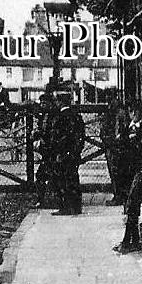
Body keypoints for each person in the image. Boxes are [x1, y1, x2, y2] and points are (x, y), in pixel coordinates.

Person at [48, 86, 86, 215]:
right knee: (73, 179)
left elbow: (62, 138)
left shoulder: (62, 117)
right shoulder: (75, 115)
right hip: (73, 153)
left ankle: (66, 207)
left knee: (64, 180)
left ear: (60, 102)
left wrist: (60, 153)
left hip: (63, 154)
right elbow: (80, 136)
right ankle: (76, 206)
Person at [115, 103, 142, 253]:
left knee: (132, 206)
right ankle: (132, 240)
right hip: (129, 173)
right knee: (131, 206)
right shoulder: (128, 127)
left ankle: (129, 241)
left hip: (140, 171)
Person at [33, 92, 57, 208]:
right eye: (41, 102)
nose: (42, 105)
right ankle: (43, 200)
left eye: (44, 103)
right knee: (42, 176)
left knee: (44, 175)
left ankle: (45, 200)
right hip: (46, 151)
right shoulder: (44, 115)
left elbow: (50, 133)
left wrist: (41, 135)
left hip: (51, 151)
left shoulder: (52, 116)